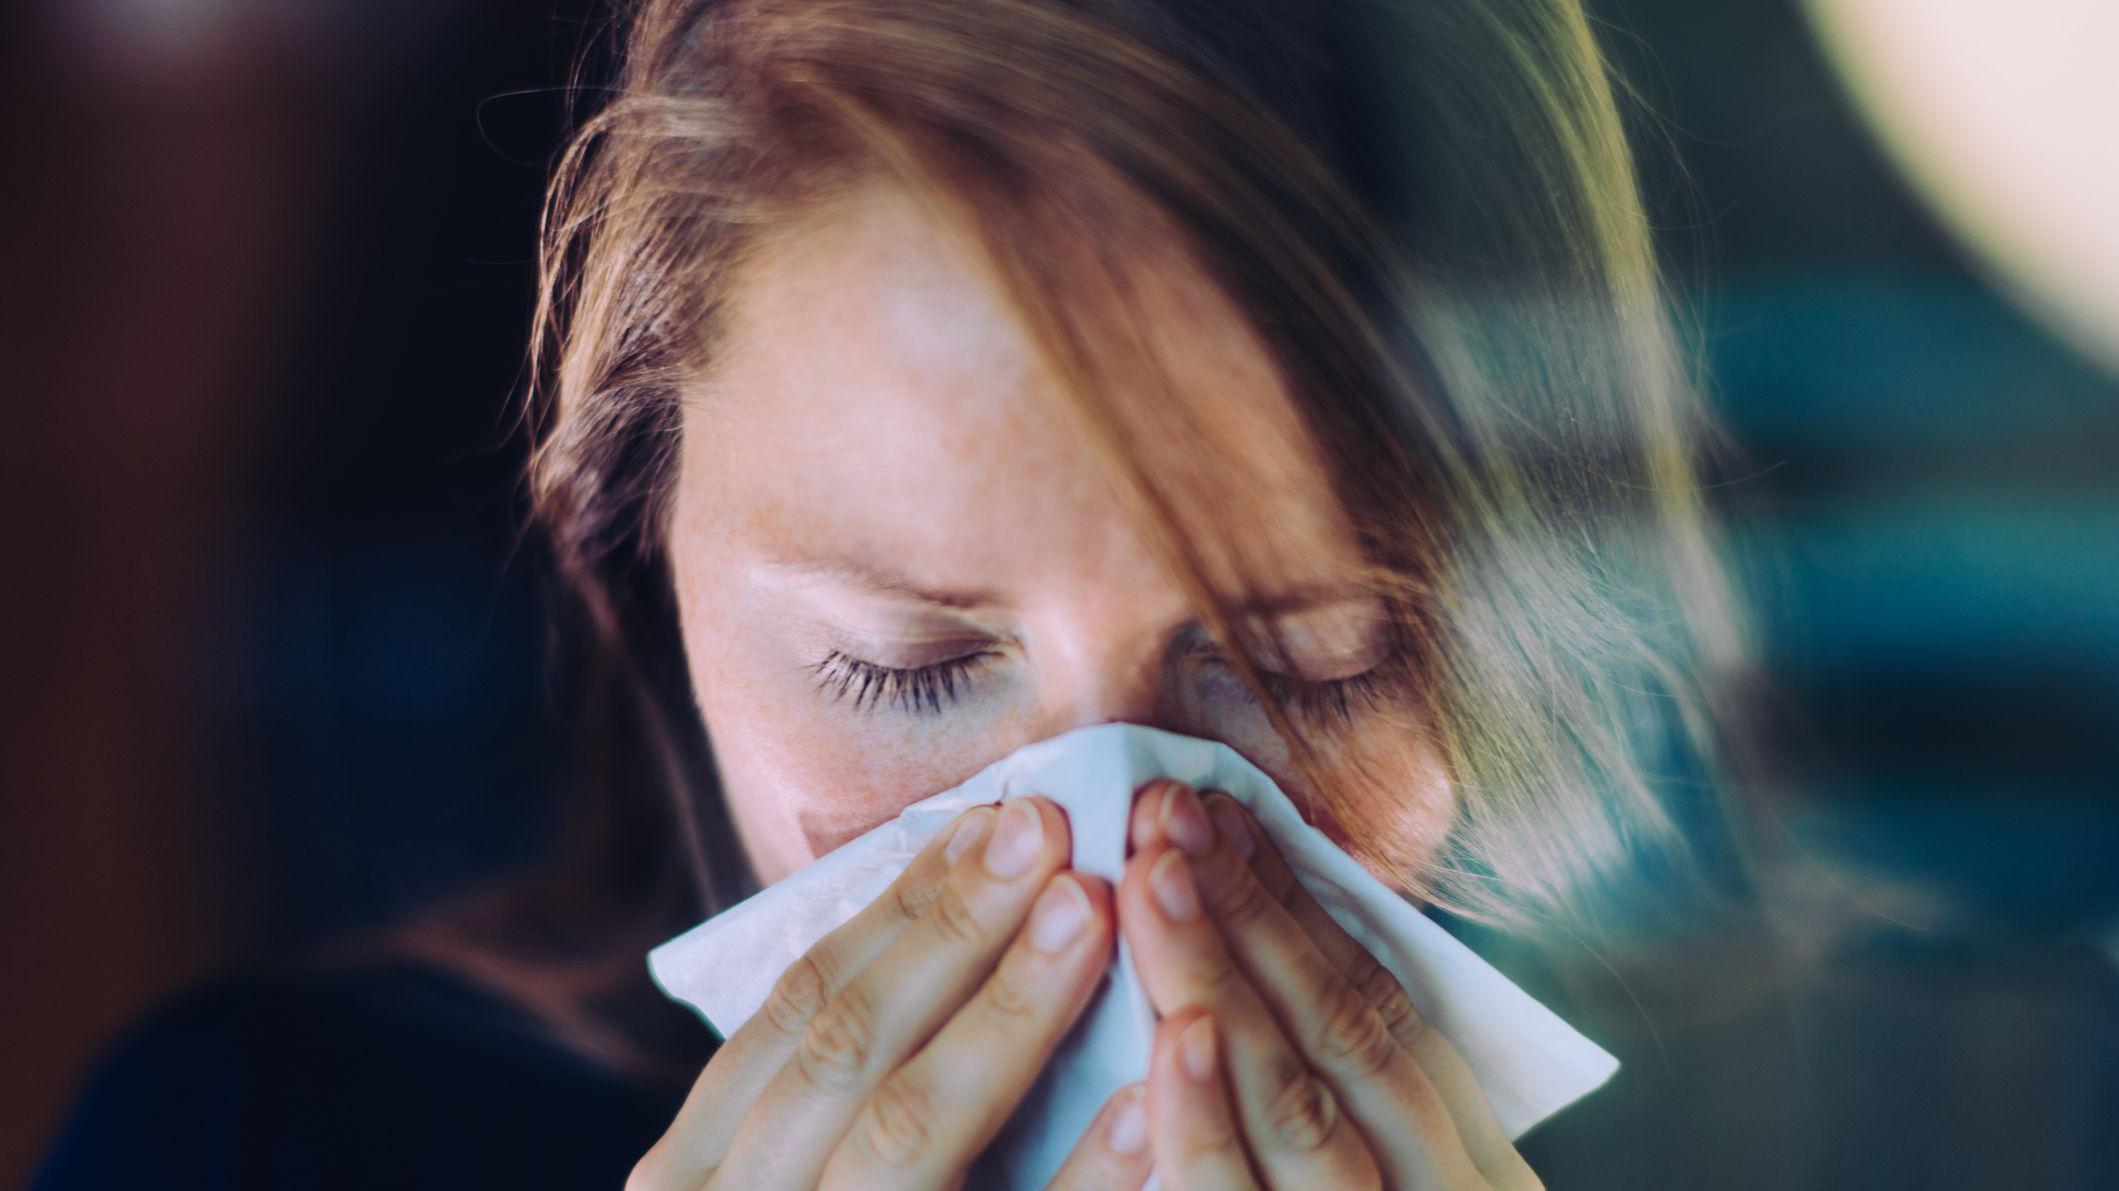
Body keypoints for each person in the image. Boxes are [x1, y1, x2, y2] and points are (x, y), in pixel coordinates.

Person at [37, 0, 1751, 1186]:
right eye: (908, 668)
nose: (1111, 856)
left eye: (1310, 672)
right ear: (640, 570)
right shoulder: (241, 1150)